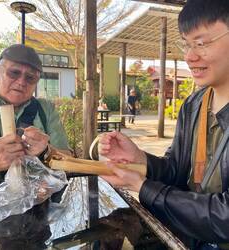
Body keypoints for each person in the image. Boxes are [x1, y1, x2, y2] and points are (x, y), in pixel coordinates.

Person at [98, 0, 229, 249]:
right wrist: (140, 159)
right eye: (186, 44)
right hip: (190, 236)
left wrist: (142, 186)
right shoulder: (194, 104)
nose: (190, 57)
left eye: (201, 43)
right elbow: (176, 173)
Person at [0, 44, 70, 186]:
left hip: (39, 201)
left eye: (30, 77)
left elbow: (68, 160)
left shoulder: (45, 109)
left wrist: (47, 151)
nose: (21, 82)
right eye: (14, 73)